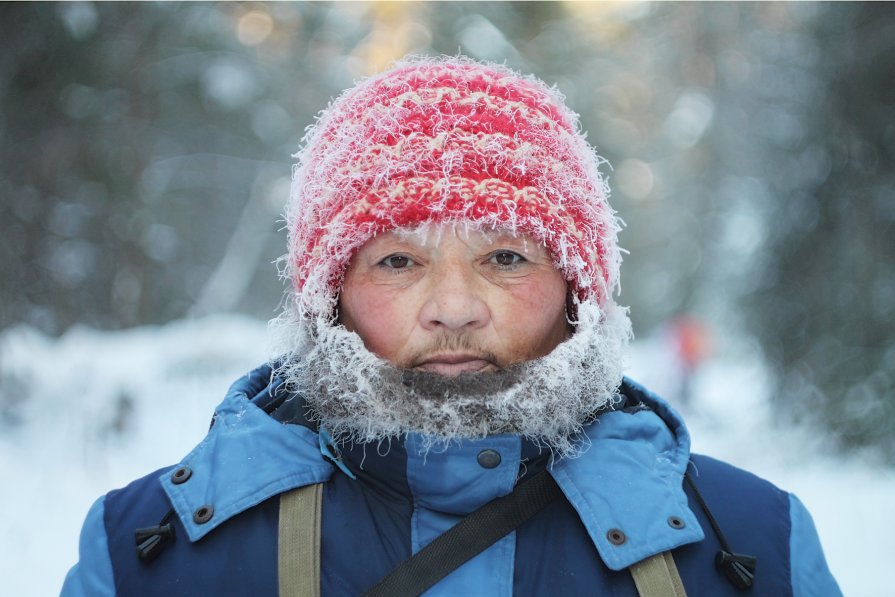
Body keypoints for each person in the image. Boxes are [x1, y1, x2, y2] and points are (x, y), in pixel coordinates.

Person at [62, 56, 840, 596]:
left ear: (579, 290)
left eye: (504, 255)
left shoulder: (750, 548)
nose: (454, 306)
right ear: (325, 297)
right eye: (397, 262)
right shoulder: (144, 555)